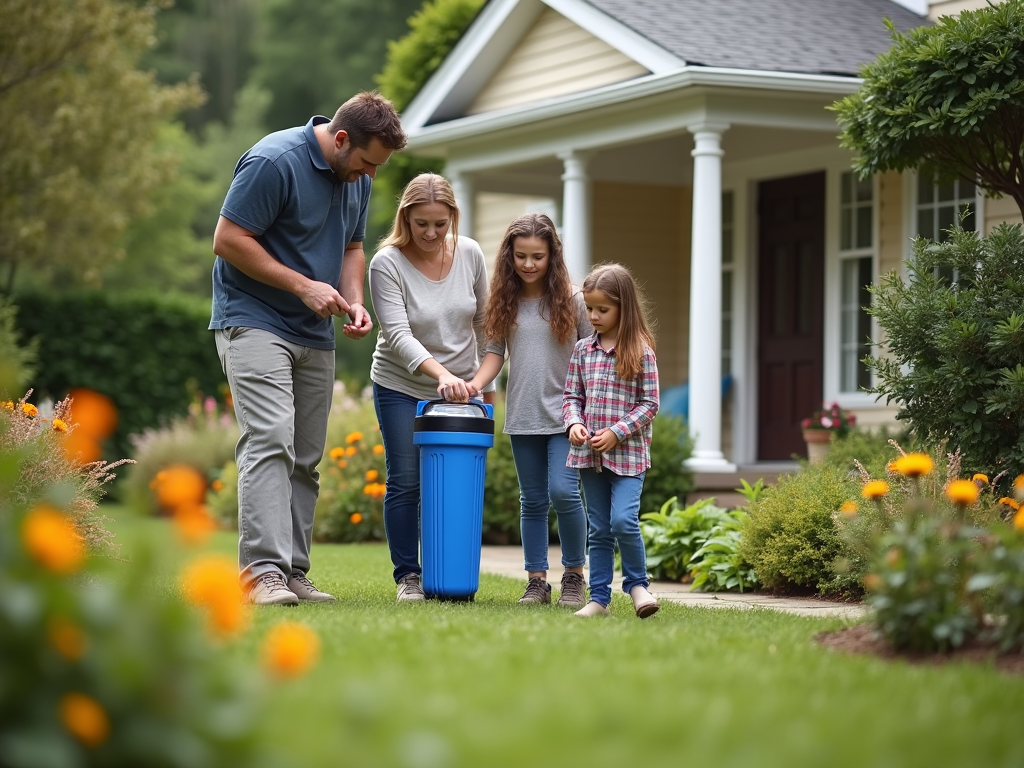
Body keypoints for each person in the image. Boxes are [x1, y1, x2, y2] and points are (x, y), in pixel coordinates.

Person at [210, 91, 406, 606]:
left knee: (306, 456)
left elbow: (352, 247)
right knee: (271, 437)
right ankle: (260, 573)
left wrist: (355, 301)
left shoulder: (358, 178)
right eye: (367, 162)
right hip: (253, 318)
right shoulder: (275, 161)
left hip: (314, 329)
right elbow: (228, 239)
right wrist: (303, 286)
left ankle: (293, 571)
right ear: (341, 140)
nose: (370, 175)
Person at [368, 173, 493, 601]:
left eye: (440, 224)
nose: (431, 233)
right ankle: (409, 576)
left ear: (452, 217)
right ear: (406, 217)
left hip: (462, 392)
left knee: (455, 481)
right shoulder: (386, 264)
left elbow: (488, 327)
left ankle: (448, 570)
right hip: (402, 383)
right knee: (406, 480)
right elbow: (399, 335)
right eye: (422, 223)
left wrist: (479, 383)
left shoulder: (471, 254)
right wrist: (442, 377)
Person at [467, 213, 591, 608]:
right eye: (520, 256)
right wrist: (473, 386)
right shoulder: (503, 302)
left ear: (552, 255)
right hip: (523, 413)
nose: (528, 264)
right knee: (532, 500)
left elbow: (593, 354)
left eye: (537, 256)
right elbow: (494, 353)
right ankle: (537, 580)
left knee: (564, 493)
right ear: (509, 256)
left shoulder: (573, 300)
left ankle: (574, 575)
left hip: (568, 416)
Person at [563, 263, 661, 619]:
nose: (593, 316)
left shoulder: (640, 352)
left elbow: (650, 404)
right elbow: (572, 397)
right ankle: (599, 600)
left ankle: (638, 585)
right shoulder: (582, 351)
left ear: (624, 307)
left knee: (623, 521)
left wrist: (616, 431)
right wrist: (574, 423)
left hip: (629, 458)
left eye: (602, 309)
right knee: (600, 528)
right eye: (590, 308)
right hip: (590, 457)